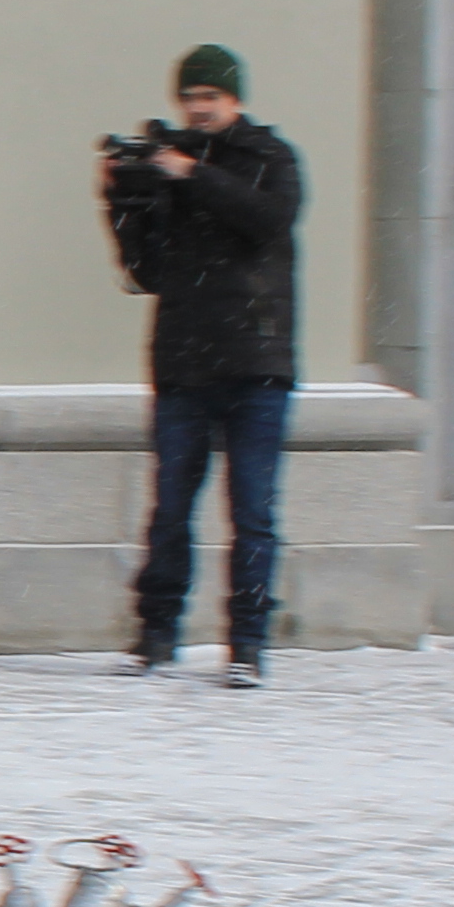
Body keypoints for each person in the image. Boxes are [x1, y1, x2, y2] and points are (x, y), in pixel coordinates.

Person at [102, 43, 305, 690]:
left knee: (252, 513)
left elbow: (269, 220)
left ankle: (246, 645)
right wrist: (122, 201)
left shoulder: (269, 159)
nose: (199, 108)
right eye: (190, 99)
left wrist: (194, 175)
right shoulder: (173, 170)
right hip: (185, 365)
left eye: (209, 98)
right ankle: (154, 635)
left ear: (234, 99)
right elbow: (147, 272)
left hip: (256, 365)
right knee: (169, 511)